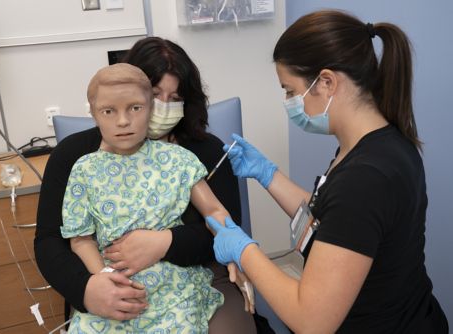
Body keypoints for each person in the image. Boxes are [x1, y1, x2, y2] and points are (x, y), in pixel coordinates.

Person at [205, 10, 449, 334]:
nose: (288, 101)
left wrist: (244, 250)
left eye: (290, 90)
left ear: (327, 82)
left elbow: (312, 321)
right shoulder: (374, 143)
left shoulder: (367, 178)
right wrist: (268, 175)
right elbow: (335, 220)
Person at [35, 36, 260, 333]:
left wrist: (167, 243)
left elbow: (221, 219)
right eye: (156, 94)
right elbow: (54, 240)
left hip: (190, 275)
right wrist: (90, 287)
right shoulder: (78, 159)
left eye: (176, 98)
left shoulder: (192, 155)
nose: (125, 120)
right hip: (110, 281)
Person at [62, 62, 232, 332]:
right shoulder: (84, 170)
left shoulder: (177, 160)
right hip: (113, 287)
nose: (123, 120)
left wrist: (240, 253)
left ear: (150, 109)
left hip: (173, 284)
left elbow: (215, 212)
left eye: (135, 108)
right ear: (94, 115)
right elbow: (80, 238)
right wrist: (104, 278)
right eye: (109, 111)